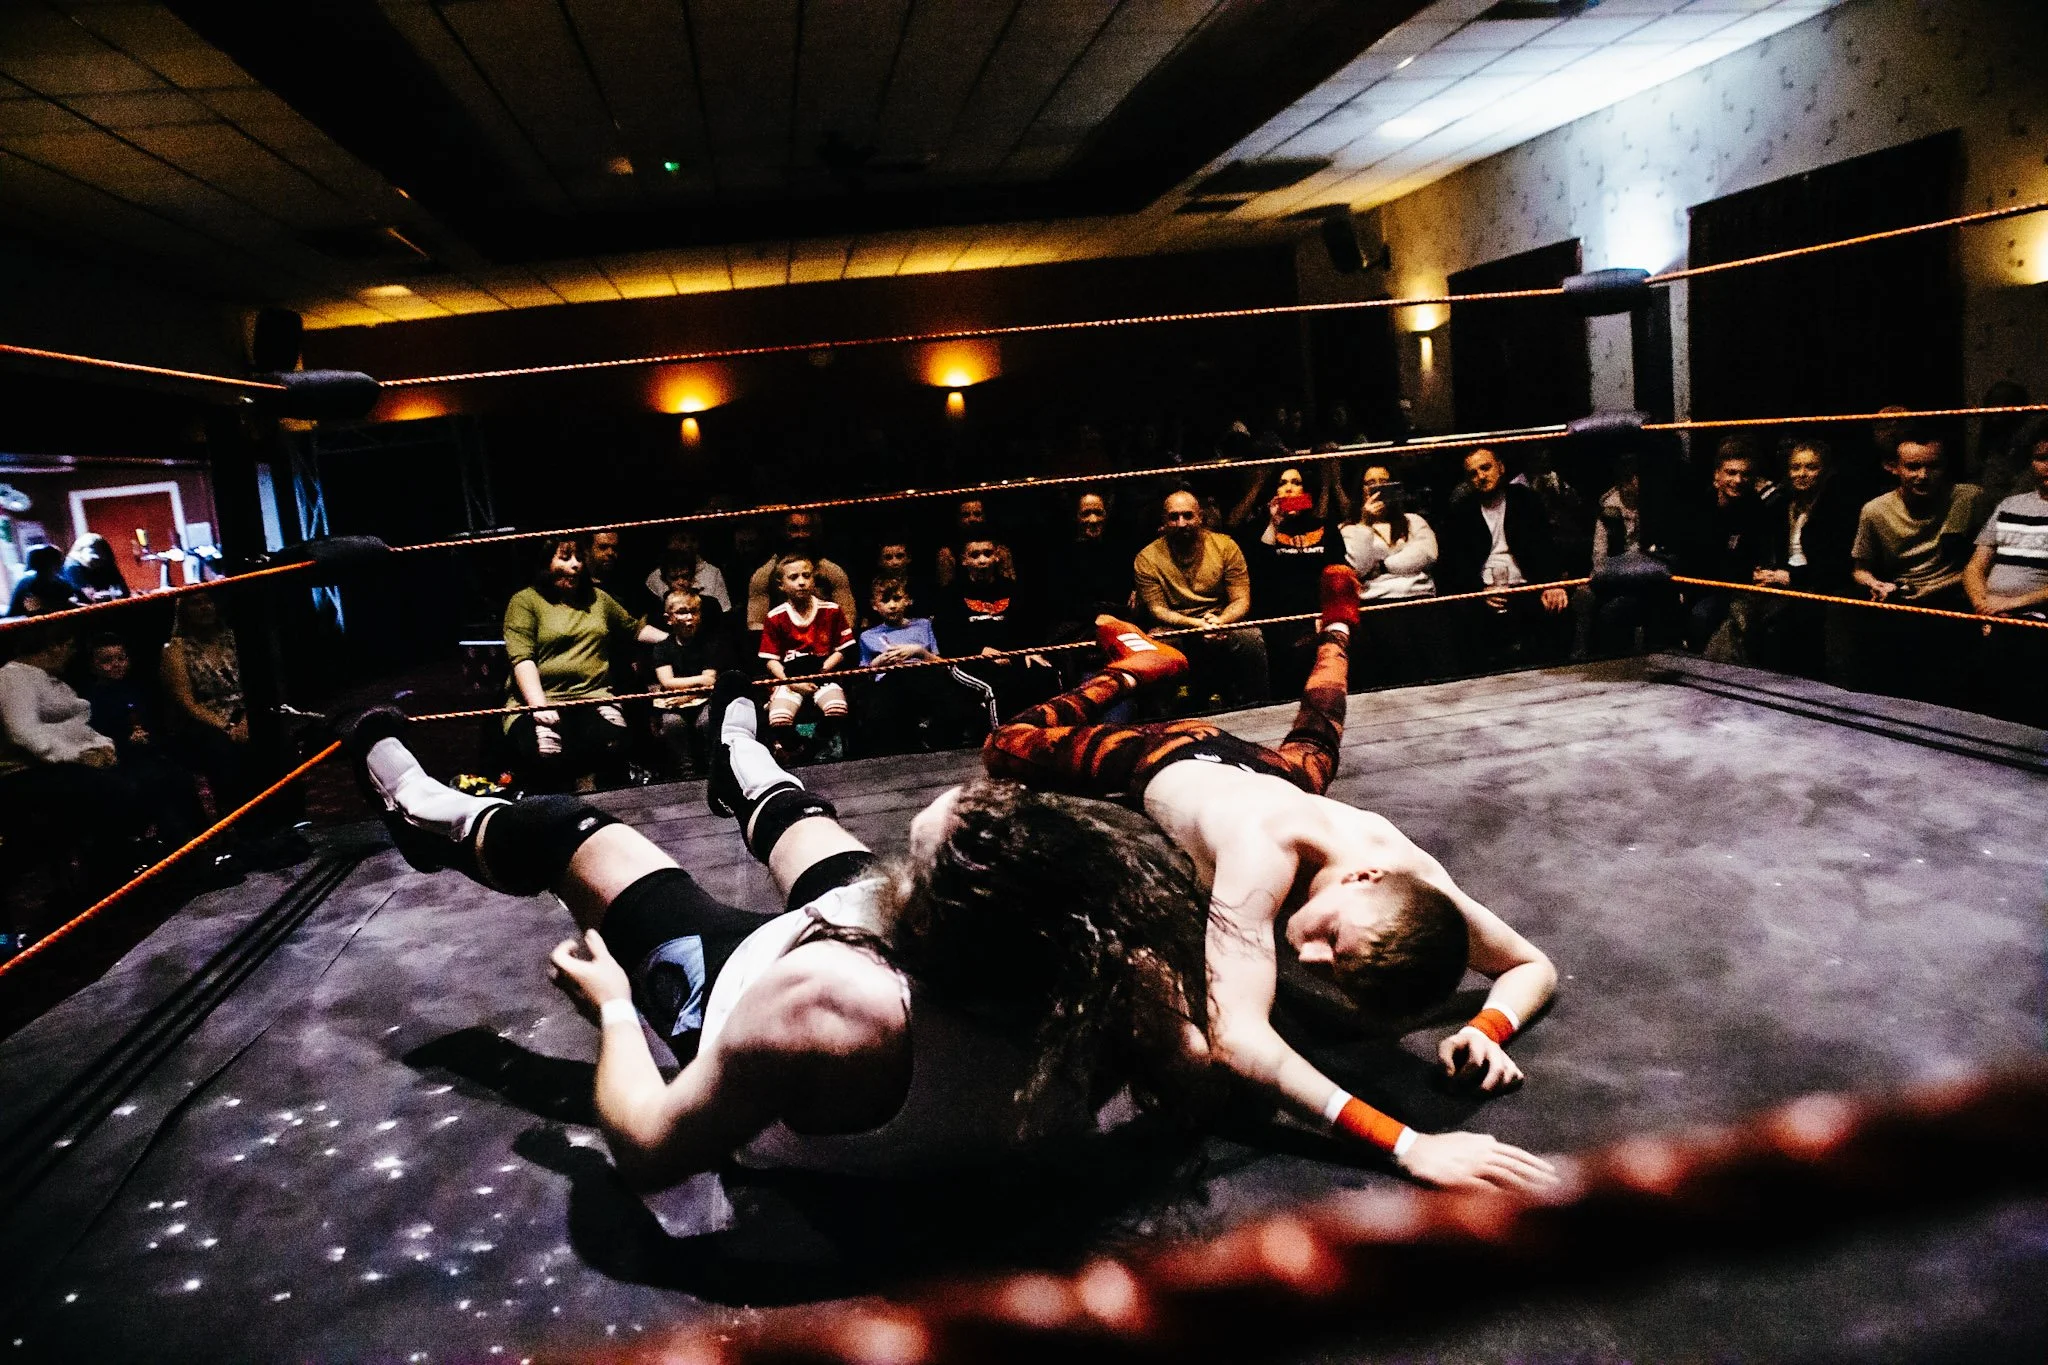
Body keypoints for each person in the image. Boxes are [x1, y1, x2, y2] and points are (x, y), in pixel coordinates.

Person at [332, 700, 1208, 1184]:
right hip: (903, 980)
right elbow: (1196, 1078)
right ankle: (741, 760)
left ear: (925, 919)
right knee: (810, 832)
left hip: (735, 990)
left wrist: (613, 1011)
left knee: (569, 831)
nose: (900, 866)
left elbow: (648, 1145)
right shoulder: (1106, 963)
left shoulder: (827, 1004)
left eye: (917, 864)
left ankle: (421, 809)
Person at [983, 566, 1558, 1192]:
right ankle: (1137, 668)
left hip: (1272, 776)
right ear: (1363, 877)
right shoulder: (1262, 854)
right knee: (1007, 745)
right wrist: (1406, 1143)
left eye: (1333, 968)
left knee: (1317, 733)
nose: (1307, 958)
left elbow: (1531, 965)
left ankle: (1338, 629)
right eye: (1332, 940)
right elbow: (1237, 1038)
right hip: (1163, 754)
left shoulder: (1416, 885)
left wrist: (1486, 1028)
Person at [503, 537, 668, 793]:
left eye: (579, 558)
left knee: (613, 743)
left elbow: (634, 629)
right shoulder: (525, 601)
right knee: (547, 752)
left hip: (592, 697)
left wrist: (681, 642)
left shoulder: (597, 599)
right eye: (565, 558)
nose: (576, 565)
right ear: (546, 563)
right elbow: (522, 658)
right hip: (545, 699)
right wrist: (539, 705)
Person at [1848, 425, 1990, 704]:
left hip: (1954, 596)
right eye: (1913, 467)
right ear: (1894, 467)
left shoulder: (1969, 498)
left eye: (1933, 466)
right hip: (1902, 597)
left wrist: (1935, 589)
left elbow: (1985, 564)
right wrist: (1877, 584)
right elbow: (1860, 569)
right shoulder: (1875, 510)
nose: (1923, 476)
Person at [1436, 448, 1571, 669]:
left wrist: (1552, 583)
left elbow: (1546, 546)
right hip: (1484, 590)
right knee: (1463, 617)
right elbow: (1453, 566)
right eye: (1473, 473)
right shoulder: (1462, 512)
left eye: (1485, 468)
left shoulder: (1525, 500)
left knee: (1557, 606)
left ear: (1500, 467)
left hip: (1527, 585)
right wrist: (1479, 591)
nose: (1481, 476)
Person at [1132, 488, 1267, 707]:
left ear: (1200, 517)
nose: (1181, 523)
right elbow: (1157, 609)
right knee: (1155, 642)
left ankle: (1259, 708)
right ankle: (1160, 717)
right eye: (1173, 517)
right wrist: (1197, 625)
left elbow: (1241, 599)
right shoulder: (1146, 558)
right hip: (1177, 626)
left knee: (1251, 637)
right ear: (1164, 521)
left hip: (1219, 621)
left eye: (1188, 516)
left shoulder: (1226, 546)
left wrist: (1221, 621)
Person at [1746, 438, 1861, 678]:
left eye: (1811, 467)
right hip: (1785, 576)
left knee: (1783, 617)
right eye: (1796, 467)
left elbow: (1838, 563)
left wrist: (1792, 577)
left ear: (1825, 470)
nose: (1802, 474)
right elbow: (1773, 548)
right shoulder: (1783, 505)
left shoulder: (1838, 509)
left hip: (1818, 583)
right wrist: (1765, 571)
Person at [1964, 419, 2048, 724]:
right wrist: (1982, 606)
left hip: (2033, 615)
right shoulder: (2011, 504)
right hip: (1989, 610)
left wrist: (2010, 606)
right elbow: (1975, 566)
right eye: (2042, 458)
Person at [935, 536, 1056, 735]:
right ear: (964, 560)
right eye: (975, 555)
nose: (982, 560)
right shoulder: (950, 594)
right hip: (970, 661)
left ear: (997, 557)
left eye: (987, 554)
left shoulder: (1013, 589)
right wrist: (981, 651)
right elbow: (948, 637)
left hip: (1013, 656)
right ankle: (1001, 741)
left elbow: (1030, 626)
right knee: (994, 689)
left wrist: (1030, 650)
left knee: (1046, 675)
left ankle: (1050, 738)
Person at [1340, 464, 1447, 686]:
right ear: (1361, 490)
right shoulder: (1349, 529)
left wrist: (1382, 567)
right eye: (1371, 483)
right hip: (1379, 604)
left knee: (1439, 660)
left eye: (1384, 481)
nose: (1378, 487)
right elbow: (1358, 567)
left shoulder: (1413, 521)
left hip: (1420, 597)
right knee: (1400, 657)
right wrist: (1365, 524)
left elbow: (1427, 554)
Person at [1242, 466, 1343, 699]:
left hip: (1318, 613)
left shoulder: (1325, 527)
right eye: (1282, 483)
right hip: (1280, 617)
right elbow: (1260, 572)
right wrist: (1274, 523)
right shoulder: (1260, 529)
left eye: (1296, 483)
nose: (1289, 488)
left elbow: (1336, 571)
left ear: (1306, 490)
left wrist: (1327, 614)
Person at [1676, 445, 1768, 656]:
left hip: (1730, 589)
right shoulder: (1697, 505)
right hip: (1692, 583)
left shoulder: (1756, 510)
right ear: (1717, 474)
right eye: (1731, 473)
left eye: (1745, 474)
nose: (1738, 480)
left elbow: (1749, 561)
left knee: (1703, 615)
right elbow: (1686, 553)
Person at [758, 553, 854, 742]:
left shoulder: (832, 610)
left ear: (813, 579)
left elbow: (842, 649)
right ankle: (797, 749)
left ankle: (815, 745)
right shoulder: (774, 617)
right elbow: (770, 659)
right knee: (779, 719)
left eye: (806, 576)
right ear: (781, 585)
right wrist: (791, 682)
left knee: (837, 708)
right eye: (793, 577)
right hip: (789, 679)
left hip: (823, 676)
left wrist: (820, 673)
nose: (801, 582)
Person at [651, 588, 742, 776]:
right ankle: (687, 773)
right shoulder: (662, 648)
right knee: (672, 723)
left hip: (705, 699)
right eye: (682, 612)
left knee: (706, 721)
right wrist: (698, 682)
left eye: (694, 611)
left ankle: (714, 769)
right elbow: (667, 681)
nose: (689, 617)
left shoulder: (712, 643)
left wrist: (687, 695)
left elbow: (710, 680)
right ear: (669, 618)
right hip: (675, 704)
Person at [1043, 491, 1134, 649]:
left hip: (1116, 622)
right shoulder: (1060, 555)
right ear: (1076, 517)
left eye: (1098, 513)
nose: (1093, 520)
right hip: (1076, 629)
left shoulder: (1119, 551)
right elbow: (1060, 603)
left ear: (1106, 515)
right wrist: (1096, 615)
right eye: (1086, 514)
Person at [745, 511, 857, 631]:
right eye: (794, 529)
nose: (801, 535)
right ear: (783, 531)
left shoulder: (833, 572)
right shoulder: (764, 575)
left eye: (806, 529)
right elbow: (755, 624)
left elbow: (848, 619)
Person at [642, 529, 733, 617]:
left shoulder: (710, 602)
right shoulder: (659, 607)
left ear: (693, 577)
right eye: (682, 540)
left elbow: (725, 612)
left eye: (685, 577)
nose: (681, 582)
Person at [931, 499, 1014, 589]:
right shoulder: (947, 551)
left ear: (984, 516)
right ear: (958, 518)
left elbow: (1008, 581)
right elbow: (946, 585)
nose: (972, 519)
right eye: (966, 515)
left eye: (977, 514)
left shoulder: (999, 547)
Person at [6, 544, 78, 618]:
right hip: (27, 623)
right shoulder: (29, 582)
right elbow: (34, 608)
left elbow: (73, 596)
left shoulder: (58, 581)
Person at [60, 533, 131, 604]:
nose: (98, 564)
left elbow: (125, 591)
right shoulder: (72, 566)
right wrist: (113, 594)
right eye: (95, 560)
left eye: (102, 560)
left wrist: (112, 594)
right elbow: (92, 597)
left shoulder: (106, 563)